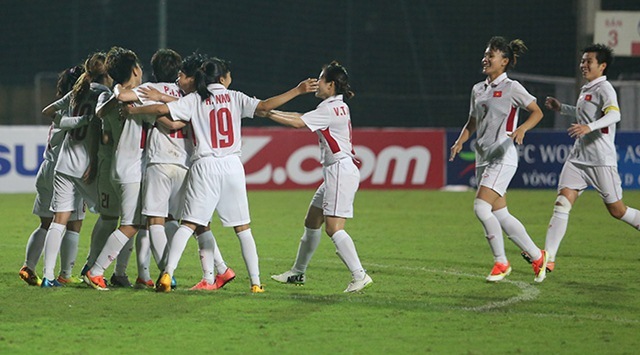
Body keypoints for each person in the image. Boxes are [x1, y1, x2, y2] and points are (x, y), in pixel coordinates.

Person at [125, 57, 317, 293]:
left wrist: (135, 110)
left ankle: (167, 274)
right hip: (232, 166)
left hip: (204, 165)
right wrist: (298, 90)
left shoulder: (195, 99)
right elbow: (266, 107)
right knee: (243, 229)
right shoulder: (236, 96)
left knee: (188, 225)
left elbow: (160, 110)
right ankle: (256, 283)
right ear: (224, 78)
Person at [267, 61, 374, 293]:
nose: (317, 83)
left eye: (321, 79)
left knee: (334, 228)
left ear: (331, 85)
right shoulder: (337, 105)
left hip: (339, 172)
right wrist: (271, 111)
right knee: (312, 220)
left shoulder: (327, 109)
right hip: (337, 172)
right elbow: (301, 117)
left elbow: (297, 122)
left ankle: (359, 275)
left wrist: (267, 113)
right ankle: (297, 273)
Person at [134, 52, 237, 291]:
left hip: (166, 161)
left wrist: (140, 107)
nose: (180, 78)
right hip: (189, 163)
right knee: (195, 223)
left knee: (157, 221)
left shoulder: (175, 95)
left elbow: (170, 122)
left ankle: (165, 274)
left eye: (184, 74)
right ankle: (220, 269)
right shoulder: (201, 97)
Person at [449, 37, 547, 283]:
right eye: (485, 54)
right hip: (484, 157)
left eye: (490, 55)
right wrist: (461, 140)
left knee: (481, 208)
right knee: (500, 213)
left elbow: (537, 111)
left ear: (504, 62)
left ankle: (501, 262)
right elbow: (472, 121)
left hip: (503, 155)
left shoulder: (512, 87)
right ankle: (537, 256)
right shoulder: (478, 89)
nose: (485, 59)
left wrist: (523, 128)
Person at [537, 43, 640, 272]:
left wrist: (589, 127)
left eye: (588, 61)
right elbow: (584, 112)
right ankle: (548, 258)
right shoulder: (588, 88)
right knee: (562, 203)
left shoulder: (605, 89)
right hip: (578, 158)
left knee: (618, 211)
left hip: (600, 159)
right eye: (582, 61)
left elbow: (614, 114)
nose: (583, 65)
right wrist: (561, 107)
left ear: (602, 66)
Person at [39, 52, 112, 287]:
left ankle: (49, 276)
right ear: (108, 74)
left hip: (64, 163)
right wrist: (92, 160)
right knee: (109, 215)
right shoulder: (105, 94)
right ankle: (92, 267)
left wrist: (69, 121)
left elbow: (48, 112)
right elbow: (97, 131)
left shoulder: (77, 92)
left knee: (59, 220)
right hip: (85, 166)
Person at [83, 46, 150, 290]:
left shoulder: (108, 99)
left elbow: (104, 123)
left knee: (130, 222)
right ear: (135, 69)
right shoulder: (142, 94)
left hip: (116, 167)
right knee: (130, 224)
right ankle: (96, 270)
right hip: (132, 168)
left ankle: (119, 273)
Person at [19, 65, 86, 286]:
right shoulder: (78, 109)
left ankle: (29, 266)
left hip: (47, 168)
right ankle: (65, 274)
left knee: (45, 224)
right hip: (66, 170)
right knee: (73, 223)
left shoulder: (61, 108)